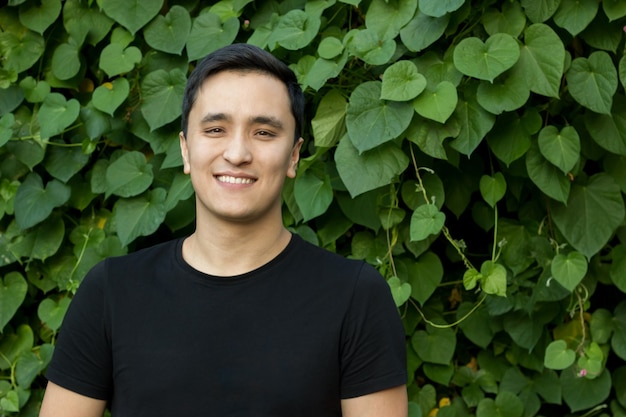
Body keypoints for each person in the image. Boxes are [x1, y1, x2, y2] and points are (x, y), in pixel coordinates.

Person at [40, 43, 407, 417]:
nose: (237, 153)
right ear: (185, 149)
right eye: (215, 129)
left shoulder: (355, 297)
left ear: (294, 155)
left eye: (263, 132)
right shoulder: (112, 292)